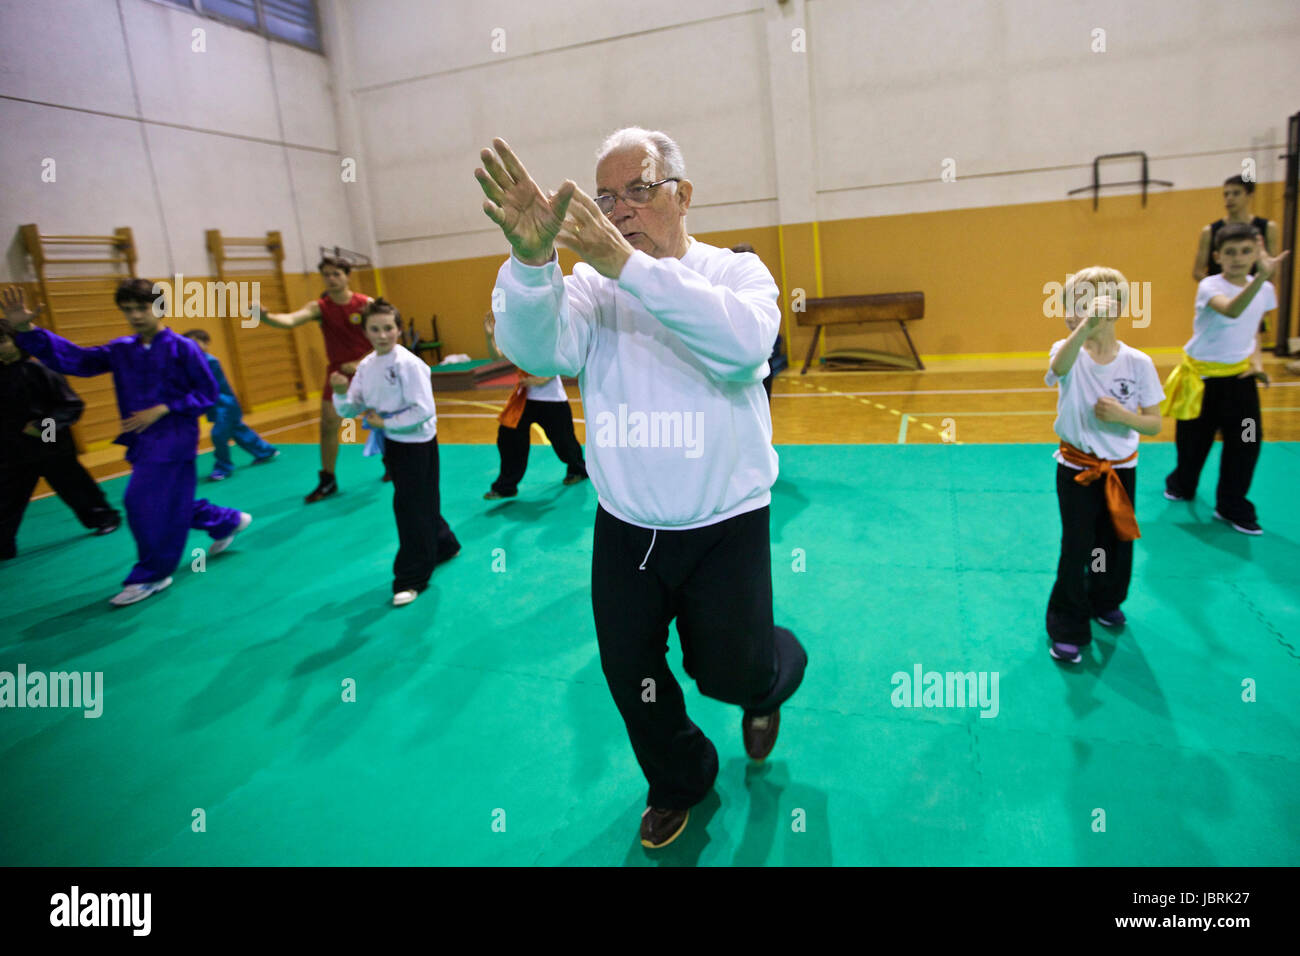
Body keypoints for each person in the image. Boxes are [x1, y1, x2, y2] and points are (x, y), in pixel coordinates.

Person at [477, 128, 808, 849]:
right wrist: (532, 265)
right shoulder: (591, 291)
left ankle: (764, 684)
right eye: (604, 196)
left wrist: (626, 264)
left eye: (637, 189)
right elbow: (537, 353)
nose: (618, 207)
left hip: (728, 523)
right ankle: (680, 779)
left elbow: (744, 350)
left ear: (682, 196)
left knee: (729, 667)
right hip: (627, 526)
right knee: (631, 674)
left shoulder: (737, 275)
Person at [1, 281, 250, 606]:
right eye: (128, 309)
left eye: (142, 308)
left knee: (138, 502)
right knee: (167, 501)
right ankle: (225, 520)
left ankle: (152, 575)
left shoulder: (183, 348)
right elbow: (77, 361)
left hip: (175, 437)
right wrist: (27, 328)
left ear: (158, 308)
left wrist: (164, 408)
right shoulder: (121, 349)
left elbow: (206, 393)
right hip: (142, 441)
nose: (135, 315)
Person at [1043, 268, 1164, 663]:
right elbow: (1058, 369)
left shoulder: (1138, 363)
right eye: (1075, 306)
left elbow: (1155, 424)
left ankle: (1105, 598)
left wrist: (1122, 416)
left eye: (1093, 304)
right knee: (1077, 545)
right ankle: (1067, 624)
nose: (1081, 313)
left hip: (1120, 470)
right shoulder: (1067, 351)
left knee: (1114, 541)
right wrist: (1081, 331)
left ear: (1117, 309)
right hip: (1076, 469)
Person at [330, 298, 460, 606]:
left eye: (388, 328)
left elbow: (424, 411)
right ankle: (443, 543)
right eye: (375, 329)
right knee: (418, 500)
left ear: (399, 329)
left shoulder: (410, 365)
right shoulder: (366, 366)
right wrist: (339, 393)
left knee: (409, 506)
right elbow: (353, 406)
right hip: (393, 444)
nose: (382, 334)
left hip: (417, 444)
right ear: (366, 332)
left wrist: (385, 422)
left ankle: (411, 577)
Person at [1163, 223, 1289, 534]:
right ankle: (1182, 482)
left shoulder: (1266, 291)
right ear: (1218, 256)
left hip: (1240, 381)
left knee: (1246, 443)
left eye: (1246, 251)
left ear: (1256, 253)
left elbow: (1254, 328)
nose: (1238, 258)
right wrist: (1261, 275)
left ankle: (1231, 505)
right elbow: (1232, 311)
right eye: (1230, 252)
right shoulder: (1210, 286)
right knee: (1193, 444)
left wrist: (1257, 363)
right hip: (1203, 382)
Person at [250, 255, 379, 501]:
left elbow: (385, 338)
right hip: (338, 375)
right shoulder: (319, 307)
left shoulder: (366, 305)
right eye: (326, 274)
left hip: (370, 371)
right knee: (329, 425)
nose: (331, 279)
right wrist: (266, 317)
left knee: (380, 420)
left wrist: (361, 363)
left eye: (336, 274)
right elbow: (289, 320)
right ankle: (328, 480)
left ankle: (391, 462)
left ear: (347, 276)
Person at [0, 318, 121, 559]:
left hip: (50, 446)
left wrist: (44, 428)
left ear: (16, 341)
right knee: (6, 500)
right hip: (12, 451)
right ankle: (3, 544)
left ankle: (104, 518)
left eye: (3, 340)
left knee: (76, 487)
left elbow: (70, 405)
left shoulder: (41, 368)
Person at [482, 312, 587, 499]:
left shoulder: (548, 338)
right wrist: (490, 336)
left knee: (564, 441)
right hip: (526, 401)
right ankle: (506, 486)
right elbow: (497, 357)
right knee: (509, 436)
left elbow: (559, 365)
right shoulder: (518, 341)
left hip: (553, 401)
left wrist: (538, 380)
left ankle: (578, 469)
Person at [182, 329, 278, 481]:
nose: (192, 347)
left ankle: (223, 467)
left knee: (218, 434)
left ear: (206, 343)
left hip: (225, 405)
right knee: (238, 431)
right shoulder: (191, 364)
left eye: (195, 343)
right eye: (188, 344)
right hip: (216, 405)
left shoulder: (210, 361)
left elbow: (204, 385)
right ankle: (265, 451)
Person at [1192, 175, 1280, 281]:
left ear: (1249, 196)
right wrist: (1219, 290)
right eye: (1226, 194)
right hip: (1221, 294)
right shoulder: (1209, 231)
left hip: (1254, 292)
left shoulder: (1268, 227)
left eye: (1236, 193)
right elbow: (1198, 272)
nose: (1229, 198)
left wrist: (1252, 291)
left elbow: (1272, 270)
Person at [731, 243, 778, 400]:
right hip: (741, 353)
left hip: (760, 353)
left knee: (762, 397)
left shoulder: (760, 283)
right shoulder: (727, 285)